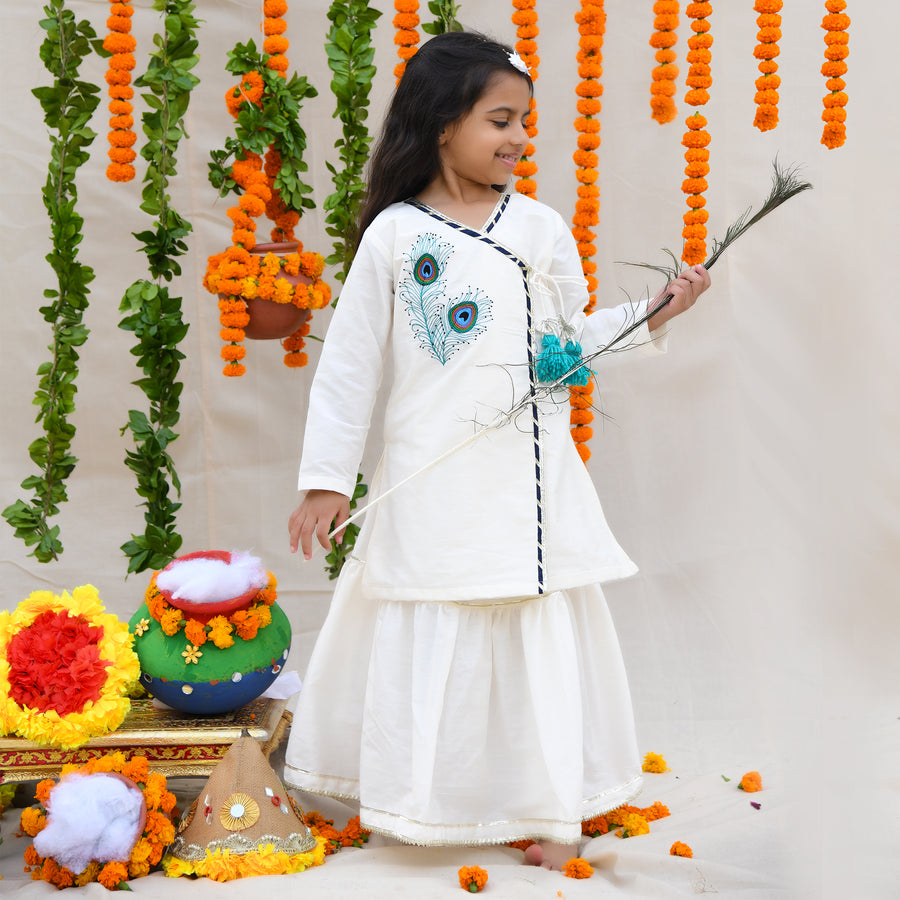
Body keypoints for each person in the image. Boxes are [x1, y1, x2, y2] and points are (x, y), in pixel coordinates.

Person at [284, 31, 710, 869]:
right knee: (434, 614)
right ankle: (423, 805)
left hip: (530, 485)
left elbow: (565, 351)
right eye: (500, 119)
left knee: (530, 627)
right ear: (444, 123)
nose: (519, 137)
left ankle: (550, 810)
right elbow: (349, 364)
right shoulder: (396, 237)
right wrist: (326, 479)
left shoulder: (542, 228)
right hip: (430, 478)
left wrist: (654, 313)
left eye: (525, 121)